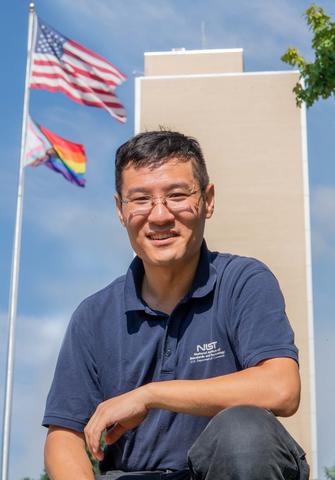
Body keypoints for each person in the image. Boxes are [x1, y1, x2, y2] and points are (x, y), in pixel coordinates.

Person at [43, 130, 309, 480]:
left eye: (177, 195)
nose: (160, 216)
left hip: (229, 470)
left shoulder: (244, 281)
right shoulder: (93, 316)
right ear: (120, 210)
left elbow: (281, 389)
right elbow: (64, 436)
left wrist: (150, 395)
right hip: (133, 475)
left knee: (244, 430)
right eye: (139, 199)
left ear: (208, 200)